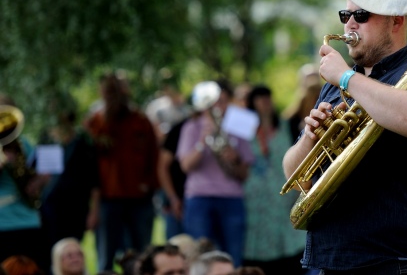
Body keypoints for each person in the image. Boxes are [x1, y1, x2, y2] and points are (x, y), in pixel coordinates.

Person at [282, 1, 407, 274]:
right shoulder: (333, 86)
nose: (350, 23)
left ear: (396, 20)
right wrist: (310, 139)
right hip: (331, 259)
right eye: (345, 15)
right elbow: (294, 176)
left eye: (361, 15)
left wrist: (347, 77)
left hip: (398, 260)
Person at [84, 73, 159, 271]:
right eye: (109, 92)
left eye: (116, 90)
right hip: (109, 198)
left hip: (139, 198)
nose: (114, 95)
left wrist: (148, 184)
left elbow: (154, 155)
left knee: (142, 257)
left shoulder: (140, 121)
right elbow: (87, 162)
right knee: (106, 257)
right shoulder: (97, 123)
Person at [177, 80, 254, 266]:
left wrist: (234, 159)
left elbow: (244, 175)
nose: (219, 106)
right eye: (214, 102)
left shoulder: (237, 128)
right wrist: (202, 141)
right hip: (200, 199)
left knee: (233, 257)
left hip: (231, 199)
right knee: (200, 258)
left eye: (223, 101)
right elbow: (186, 166)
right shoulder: (191, 127)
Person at [242, 84, 306, 274]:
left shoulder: (287, 125)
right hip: (254, 199)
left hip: (284, 194)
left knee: (289, 242)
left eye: (267, 98)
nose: (265, 103)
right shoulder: (244, 129)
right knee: (256, 242)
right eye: (260, 99)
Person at [38, 94, 99, 253]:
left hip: (76, 208)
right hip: (50, 206)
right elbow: (40, 175)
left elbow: (94, 181)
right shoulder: (46, 138)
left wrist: (94, 211)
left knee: (72, 249)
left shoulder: (82, 142)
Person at [0, 100, 49, 268]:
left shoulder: (24, 143)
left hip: (28, 220)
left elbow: (45, 172)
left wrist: (37, 182)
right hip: (3, 223)